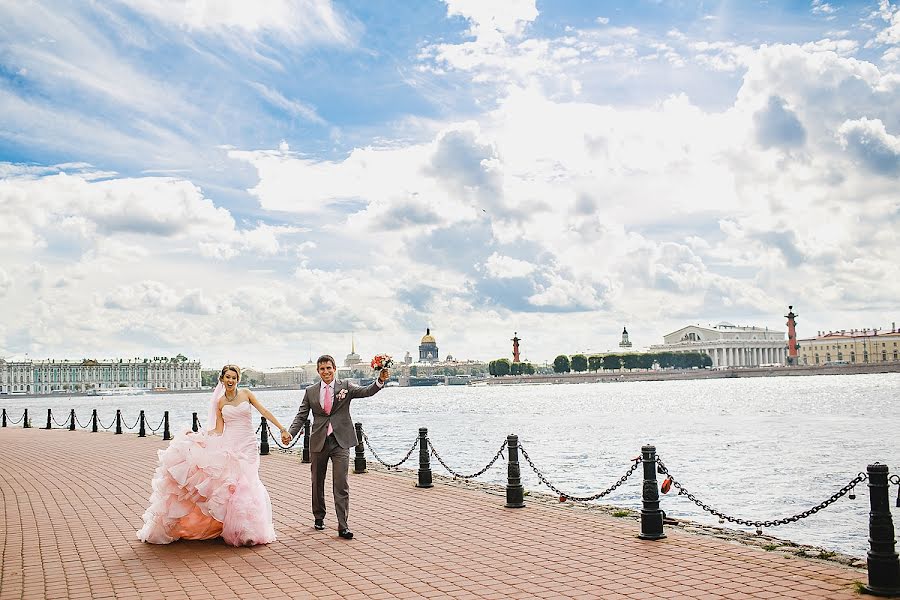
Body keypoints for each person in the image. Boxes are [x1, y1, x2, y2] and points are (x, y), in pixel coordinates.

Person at [137, 364, 289, 546]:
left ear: (238, 379)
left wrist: (282, 429)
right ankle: (243, 530)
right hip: (231, 445)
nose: (231, 380)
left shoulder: (246, 394)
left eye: (234, 377)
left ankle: (249, 528)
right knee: (237, 485)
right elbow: (218, 429)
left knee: (250, 482)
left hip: (248, 444)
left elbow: (264, 411)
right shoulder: (220, 402)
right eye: (228, 377)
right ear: (222, 379)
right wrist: (200, 437)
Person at [284, 354, 390, 539]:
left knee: (341, 484)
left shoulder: (346, 386)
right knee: (317, 482)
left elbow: (366, 391)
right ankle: (319, 517)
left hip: (341, 441)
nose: (326, 372)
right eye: (322, 369)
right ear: (318, 371)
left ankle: (343, 526)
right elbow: (301, 416)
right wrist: (290, 433)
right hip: (319, 442)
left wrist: (380, 381)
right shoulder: (310, 391)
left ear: (335, 369)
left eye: (329, 368)